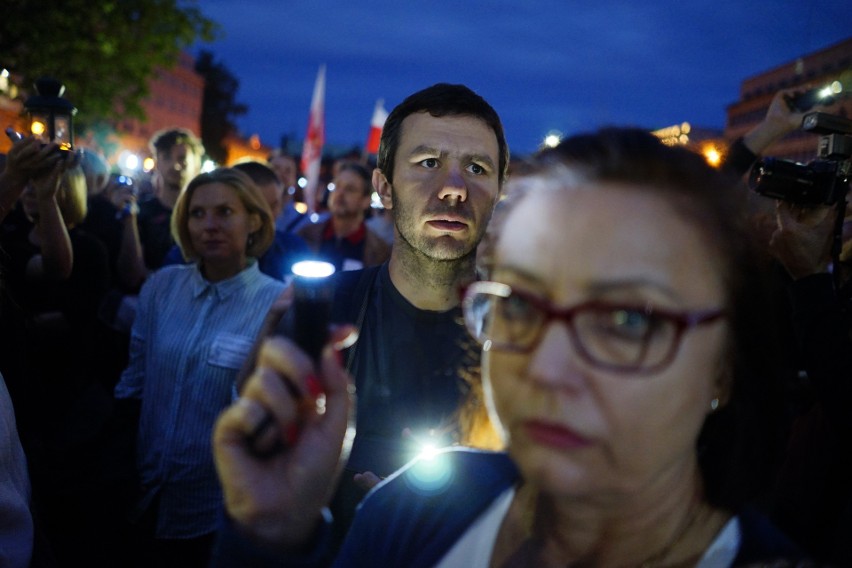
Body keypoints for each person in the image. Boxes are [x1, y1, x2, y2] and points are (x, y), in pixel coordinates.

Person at [210, 127, 808, 566]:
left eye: (627, 320)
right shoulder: (414, 513)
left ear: (724, 366)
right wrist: (271, 536)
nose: (546, 367)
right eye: (519, 306)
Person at [114, 168, 286, 567]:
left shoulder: (276, 305)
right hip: (141, 492)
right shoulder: (161, 287)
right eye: (197, 214)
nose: (209, 225)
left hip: (215, 505)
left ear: (255, 220)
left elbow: (267, 414)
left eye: (225, 212)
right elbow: (134, 379)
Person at [161, 160, 312, 283]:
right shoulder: (180, 262)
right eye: (259, 207)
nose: (267, 216)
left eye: (274, 205)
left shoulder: (293, 249)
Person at [118, 128, 205, 290]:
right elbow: (131, 276)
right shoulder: (140, 212)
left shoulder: (205, 216)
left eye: (182, 158)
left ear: (196, 164)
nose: (175, 165)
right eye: (166, 157)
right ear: (157, 163)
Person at [296, 162, 390, 272]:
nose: (340, 193)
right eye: (337, 186)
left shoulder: (380, 252)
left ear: (365, 201)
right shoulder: (306, 235)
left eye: (350, 189)